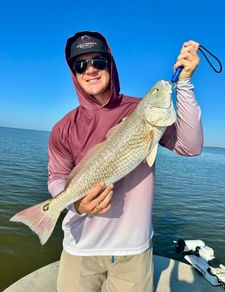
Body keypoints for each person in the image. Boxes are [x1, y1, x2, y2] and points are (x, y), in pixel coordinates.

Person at [48, 31, 203, 292]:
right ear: (73, 74)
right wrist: (76, 204)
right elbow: (56, 178)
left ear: (111, 64)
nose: (91, 70)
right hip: (80, 247)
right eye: (80, 65)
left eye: (98, 61)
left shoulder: (140, 109)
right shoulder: (63, 128)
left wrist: (184, 84)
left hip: (134, 249)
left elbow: (190, 146)